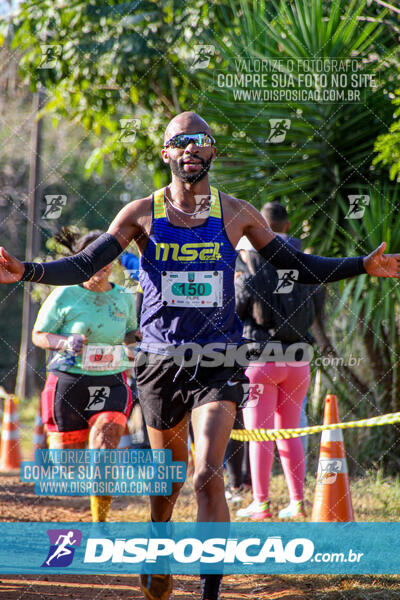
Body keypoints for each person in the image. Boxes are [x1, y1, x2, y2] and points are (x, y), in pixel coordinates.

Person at [1, 111, 400, 600]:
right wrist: (26, 271)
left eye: (200, 139)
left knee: (207, 472)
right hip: (158, 361)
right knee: (166, 487)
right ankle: (159, 544)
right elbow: (87, 261)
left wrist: (363, 264)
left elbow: (293, 262)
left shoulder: (236, 213)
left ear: (212, 151)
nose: (190, 147)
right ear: (166, 153)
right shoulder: (139, 214)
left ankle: (209, 593)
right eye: (179, 141)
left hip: (217, 359)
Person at [32, 228, 137, 523]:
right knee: (67, 465)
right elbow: (39, 335)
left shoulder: (124, 297)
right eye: (95, 259)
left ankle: (100, 525)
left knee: (104, 450)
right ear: (81, 260)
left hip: (111, 378)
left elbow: (130, 334)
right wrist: (65, 342)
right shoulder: (65, 293)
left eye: (108, 258)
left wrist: (140, 338)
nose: (103, 265)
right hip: (69, 380)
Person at [234, 202, 322, 520]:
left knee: (260, 433)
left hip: (260, 359)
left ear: (261, 226)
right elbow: (317, 308)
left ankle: (261, 503)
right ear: (287, 226)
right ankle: (297, 502)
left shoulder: (249, 258)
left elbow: (238, 305)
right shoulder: (305, 259)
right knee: (290, 430)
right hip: (299, 361)